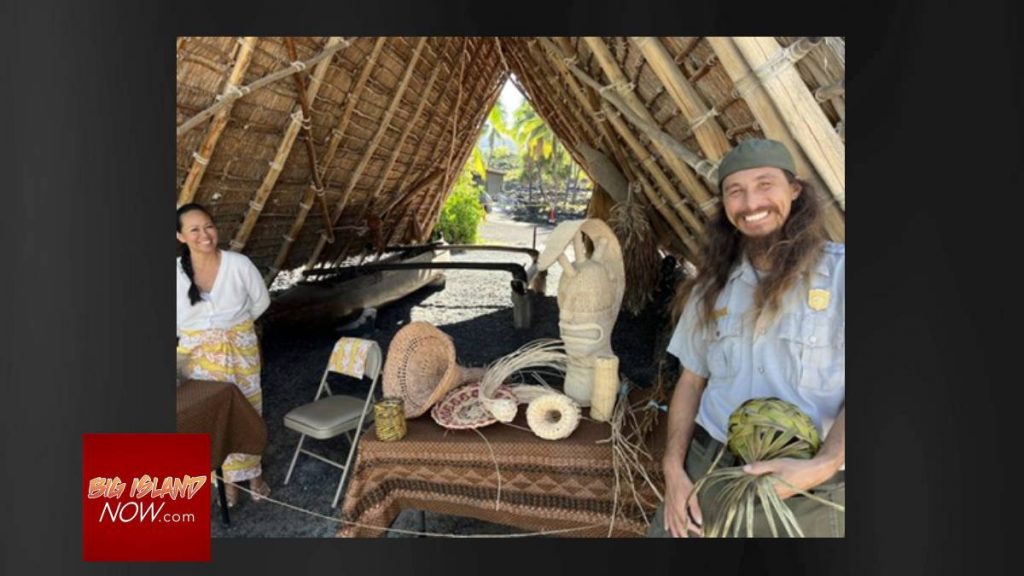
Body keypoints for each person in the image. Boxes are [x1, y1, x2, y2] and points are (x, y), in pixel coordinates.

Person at [648, 139, 845, 537]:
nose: (751, 202)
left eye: (765, 184)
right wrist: (673, 469)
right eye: (735, 191)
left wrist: (823, 464)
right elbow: (691, 381)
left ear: (795, 190)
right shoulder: (710, 288)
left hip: (809, 484)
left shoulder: (842, 277)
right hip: (712, 469)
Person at [176, 203, 272, 507]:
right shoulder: (175, 274)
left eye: (209, 226)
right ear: (180, 237)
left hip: (239, 348)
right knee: (211, 416)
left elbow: (261, 301)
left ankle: (254, 474)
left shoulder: (238, 264)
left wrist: (236, 328)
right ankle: (225, 482)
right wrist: (202, 336)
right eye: (194, 229)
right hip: (199, 358)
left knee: (248, 409)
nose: (204, 234)